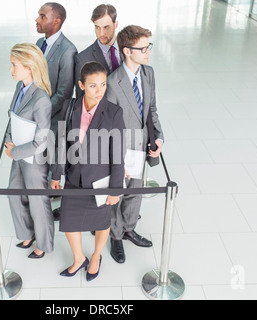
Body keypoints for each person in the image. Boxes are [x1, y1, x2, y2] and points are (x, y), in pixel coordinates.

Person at [51, 62, 126, 281]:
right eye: (93, 85)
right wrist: (56, 174)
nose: (99, 90)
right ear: (81, 85)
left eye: (103, 84)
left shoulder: (114, 113)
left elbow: (117, 155)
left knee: (102, 222)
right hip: (74, 177)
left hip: (100, 180)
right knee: (68, 221)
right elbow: (61, 143)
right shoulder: (69, 107)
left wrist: (115, 189)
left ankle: (95, 256)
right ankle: (78, 258)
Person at [105, 25, 164, 264]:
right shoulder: (112, 82)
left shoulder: (148, 73)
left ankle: (129, 228)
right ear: (127, 51)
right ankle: (116, 235)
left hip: (142, 145)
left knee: (136, 190)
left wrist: (158, 137)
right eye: (143, 48)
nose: (148, 51)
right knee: (117, 193)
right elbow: (108, 126)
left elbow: (151, 110)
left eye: (149, 46)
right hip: (121, 148)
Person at [4, 43, 54, 259]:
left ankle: (43, 244)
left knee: (37, 201)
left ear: (29, 67)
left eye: (14, 65)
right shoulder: (19, 88)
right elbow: (12, 116)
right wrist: (8, 141)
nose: (11, 69)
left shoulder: (41, 99)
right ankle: (26, 232)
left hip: (32, 158)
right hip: (17, 151)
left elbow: (41, 141)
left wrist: (14, 153)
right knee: (13, 192)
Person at [35, 2, 77, 135]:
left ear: (56, 22)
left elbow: (64, 93)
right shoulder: (39, 43)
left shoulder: (68, 50)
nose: (37, 20)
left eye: (42, 17)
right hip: (34, 112)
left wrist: (41, 112)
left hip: (50, 119)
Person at [74, 4, 121, 98]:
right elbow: (81, 99)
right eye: (97, 27)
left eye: (106, 27)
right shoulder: (83, 59)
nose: (101, 33)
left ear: (116, 25)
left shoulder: (127, 49)